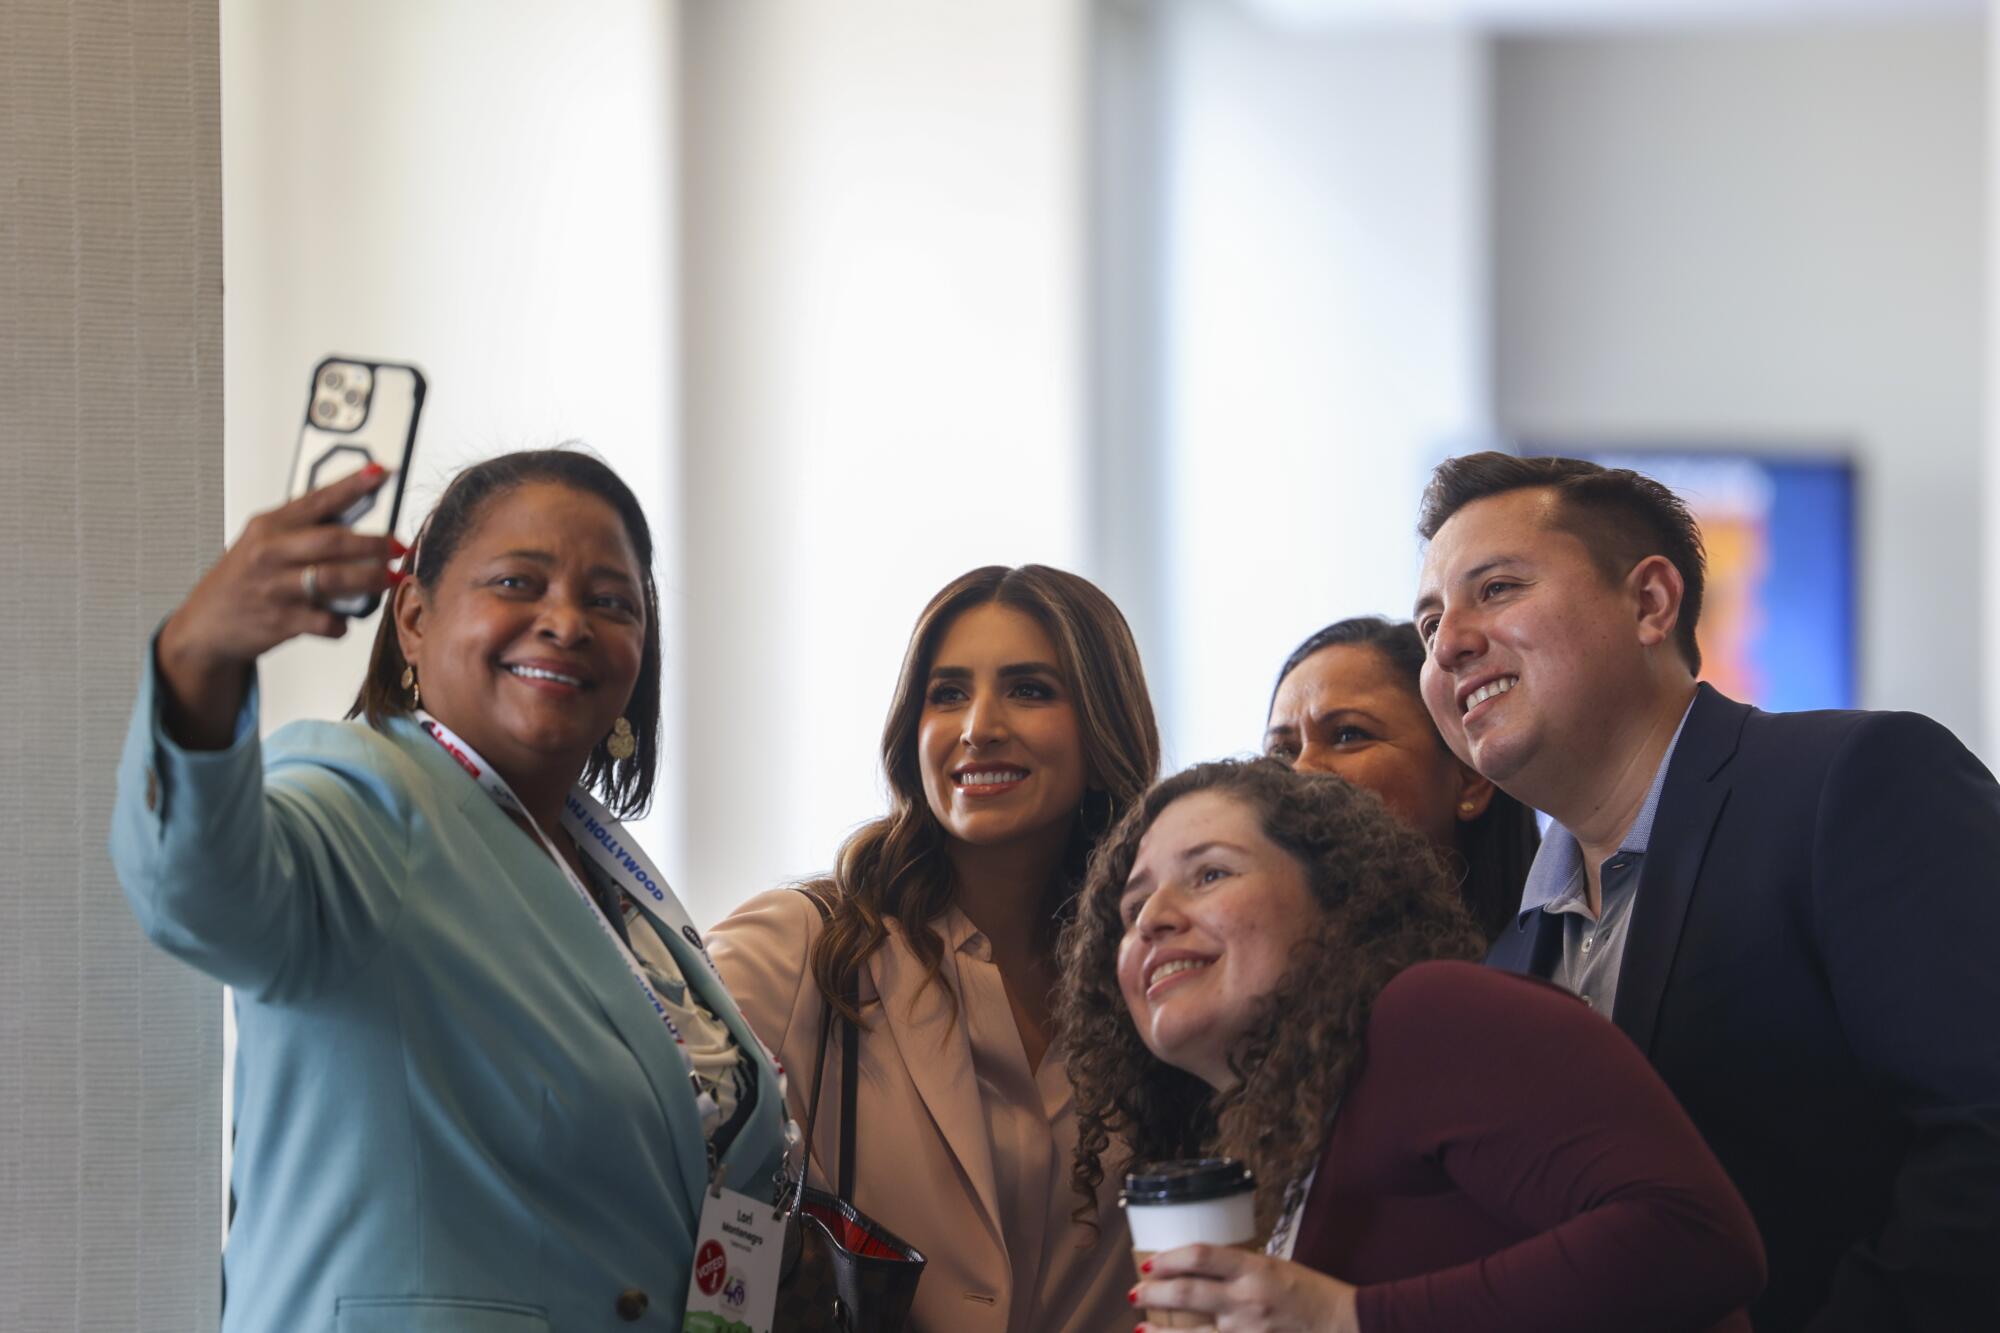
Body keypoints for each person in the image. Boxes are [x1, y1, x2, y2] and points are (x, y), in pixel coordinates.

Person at [110, 451, 788, 1330]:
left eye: (611, 600)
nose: (566, 622)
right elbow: (202, 894)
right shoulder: (359, 796)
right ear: (415, 616)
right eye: (518, 581)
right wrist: (198, 658)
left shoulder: (609, 873)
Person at [1412, 451, 2000, 1331]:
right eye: (1426, 625)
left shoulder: (1852, 781)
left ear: (1651, 602)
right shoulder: (1505, 964)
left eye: (1495, 589)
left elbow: (1983, 1134)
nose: (1448, 640)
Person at [1059, 759, 1765, 1333]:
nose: (1152, 919)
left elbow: (1698, 1237)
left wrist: (1346, 1316)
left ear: (1335, 894)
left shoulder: (1428, 1014)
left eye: (1209, 873)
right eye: (1131, 909)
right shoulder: (1279, 1133)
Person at [706, 565, 1161, 1333]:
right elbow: (629, 1125)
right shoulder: (803, 946)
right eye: (946, 693)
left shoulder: (1153, 978)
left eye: (1029, 689)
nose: (978, 725)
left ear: (1102, 724)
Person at [1264, 616, 1539, 940]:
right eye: (1282, 752)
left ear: (1470, 776)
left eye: (1348, 734)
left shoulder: (1558, 967)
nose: (1301, 770)